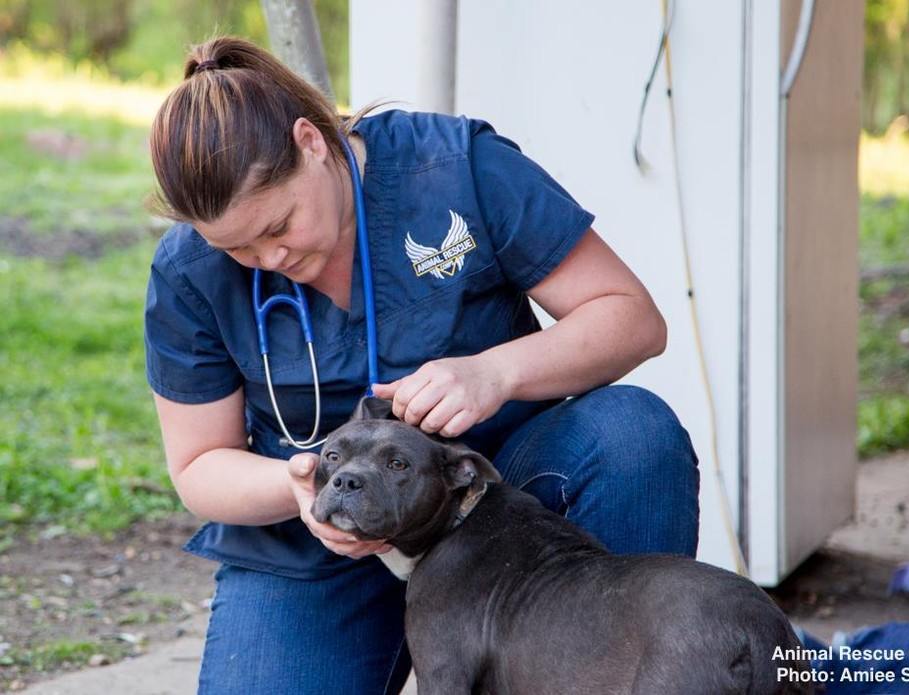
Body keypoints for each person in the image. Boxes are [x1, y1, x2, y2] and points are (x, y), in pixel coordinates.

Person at [144, 36, 699, 695]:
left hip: (492, 507)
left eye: (279, 225)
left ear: (311, 142)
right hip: (316, 543)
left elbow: (631, 315)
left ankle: (647, 664)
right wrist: (296, 487)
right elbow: (199, 465)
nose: (268, 258)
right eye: (236, 248)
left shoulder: (455, 169)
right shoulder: (188, 272)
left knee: (633, 436)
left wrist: (496, 372)